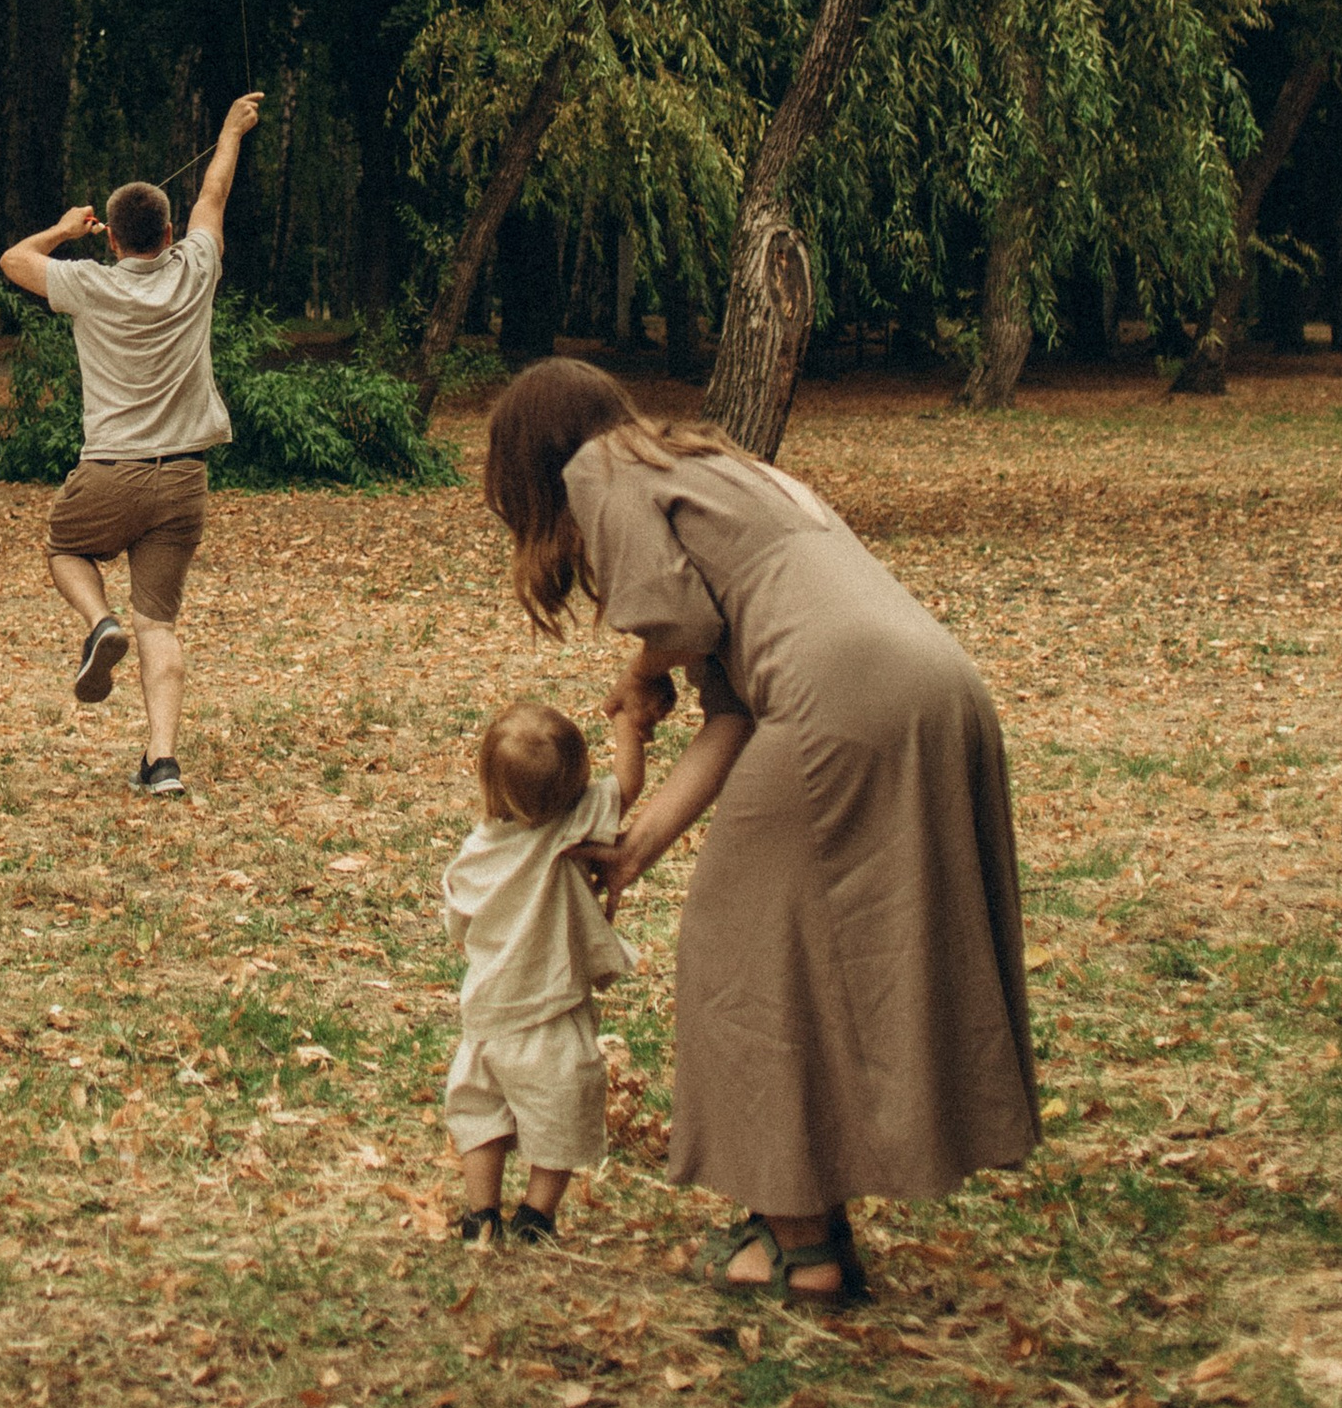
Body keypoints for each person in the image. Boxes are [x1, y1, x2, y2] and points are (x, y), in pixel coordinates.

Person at [482, 358, 1039, 1306]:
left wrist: (643, 668)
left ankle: (801, 1247)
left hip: (841, 702)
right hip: (930, 685)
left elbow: (684, 622)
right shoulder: (712, 467)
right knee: (800, 954)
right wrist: (639, 842)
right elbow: (733, 713)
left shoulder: (600, 470)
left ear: (536, 461)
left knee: (744, 963)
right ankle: (799, 1213)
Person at [0, 89, 262, 799]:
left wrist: (60, 230)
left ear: (112, 239)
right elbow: (216, 188)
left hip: (109, 471)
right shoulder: (196, 269)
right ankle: (163, 762)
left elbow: (13, 260)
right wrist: (231, 128)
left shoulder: (89, 284)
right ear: (171, 233)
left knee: (63, 549)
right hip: (183, 479)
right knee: (162, 621)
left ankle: (98, 622)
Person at [444, 695, 642, 1248]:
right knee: (560, 1111)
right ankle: (536, 1214)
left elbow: (457, 922)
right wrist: (629, 725)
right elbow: (627, 785)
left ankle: (481, 1214)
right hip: (550, 1012)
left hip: (486, 1016)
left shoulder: (476, 851)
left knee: (480, 1110)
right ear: (576, 782)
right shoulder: (569, 827)